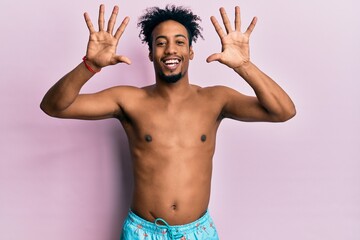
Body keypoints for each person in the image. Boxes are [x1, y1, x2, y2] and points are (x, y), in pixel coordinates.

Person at [40, 4, 296, 240]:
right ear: (151, 53)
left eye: (179, 42)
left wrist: (244, 65)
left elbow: (283, 111)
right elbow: (54, 106)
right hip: (142, 231)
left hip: (199, 231)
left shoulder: (216, 99)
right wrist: (90, 66)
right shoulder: (128, 100)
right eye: (160, 43)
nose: (171, 49)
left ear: (190, 51)